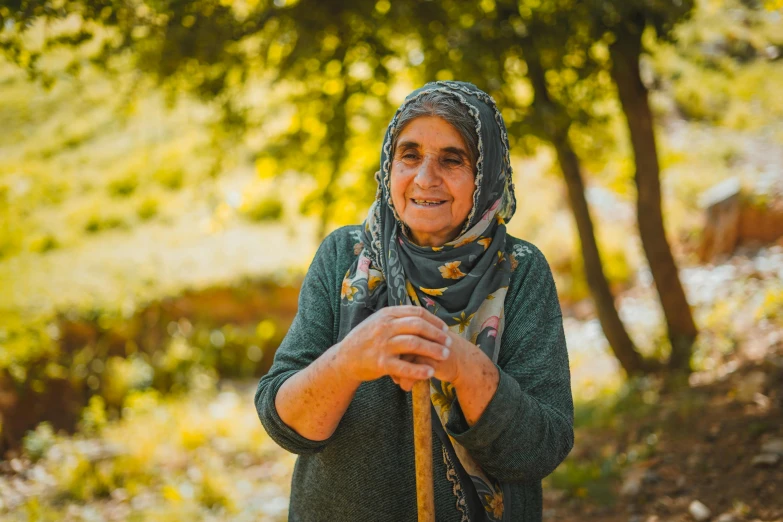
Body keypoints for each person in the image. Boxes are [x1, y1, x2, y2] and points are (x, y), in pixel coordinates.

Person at [255, 81, 574, 522]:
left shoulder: (518, 271)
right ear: (389, 166)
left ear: (487, 175)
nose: (425, 178)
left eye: (452, 159)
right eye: (409, 155)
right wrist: (348, 360)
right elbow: (284, 422)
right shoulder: (344, 257)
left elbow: (541, 448)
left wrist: (462, 364)